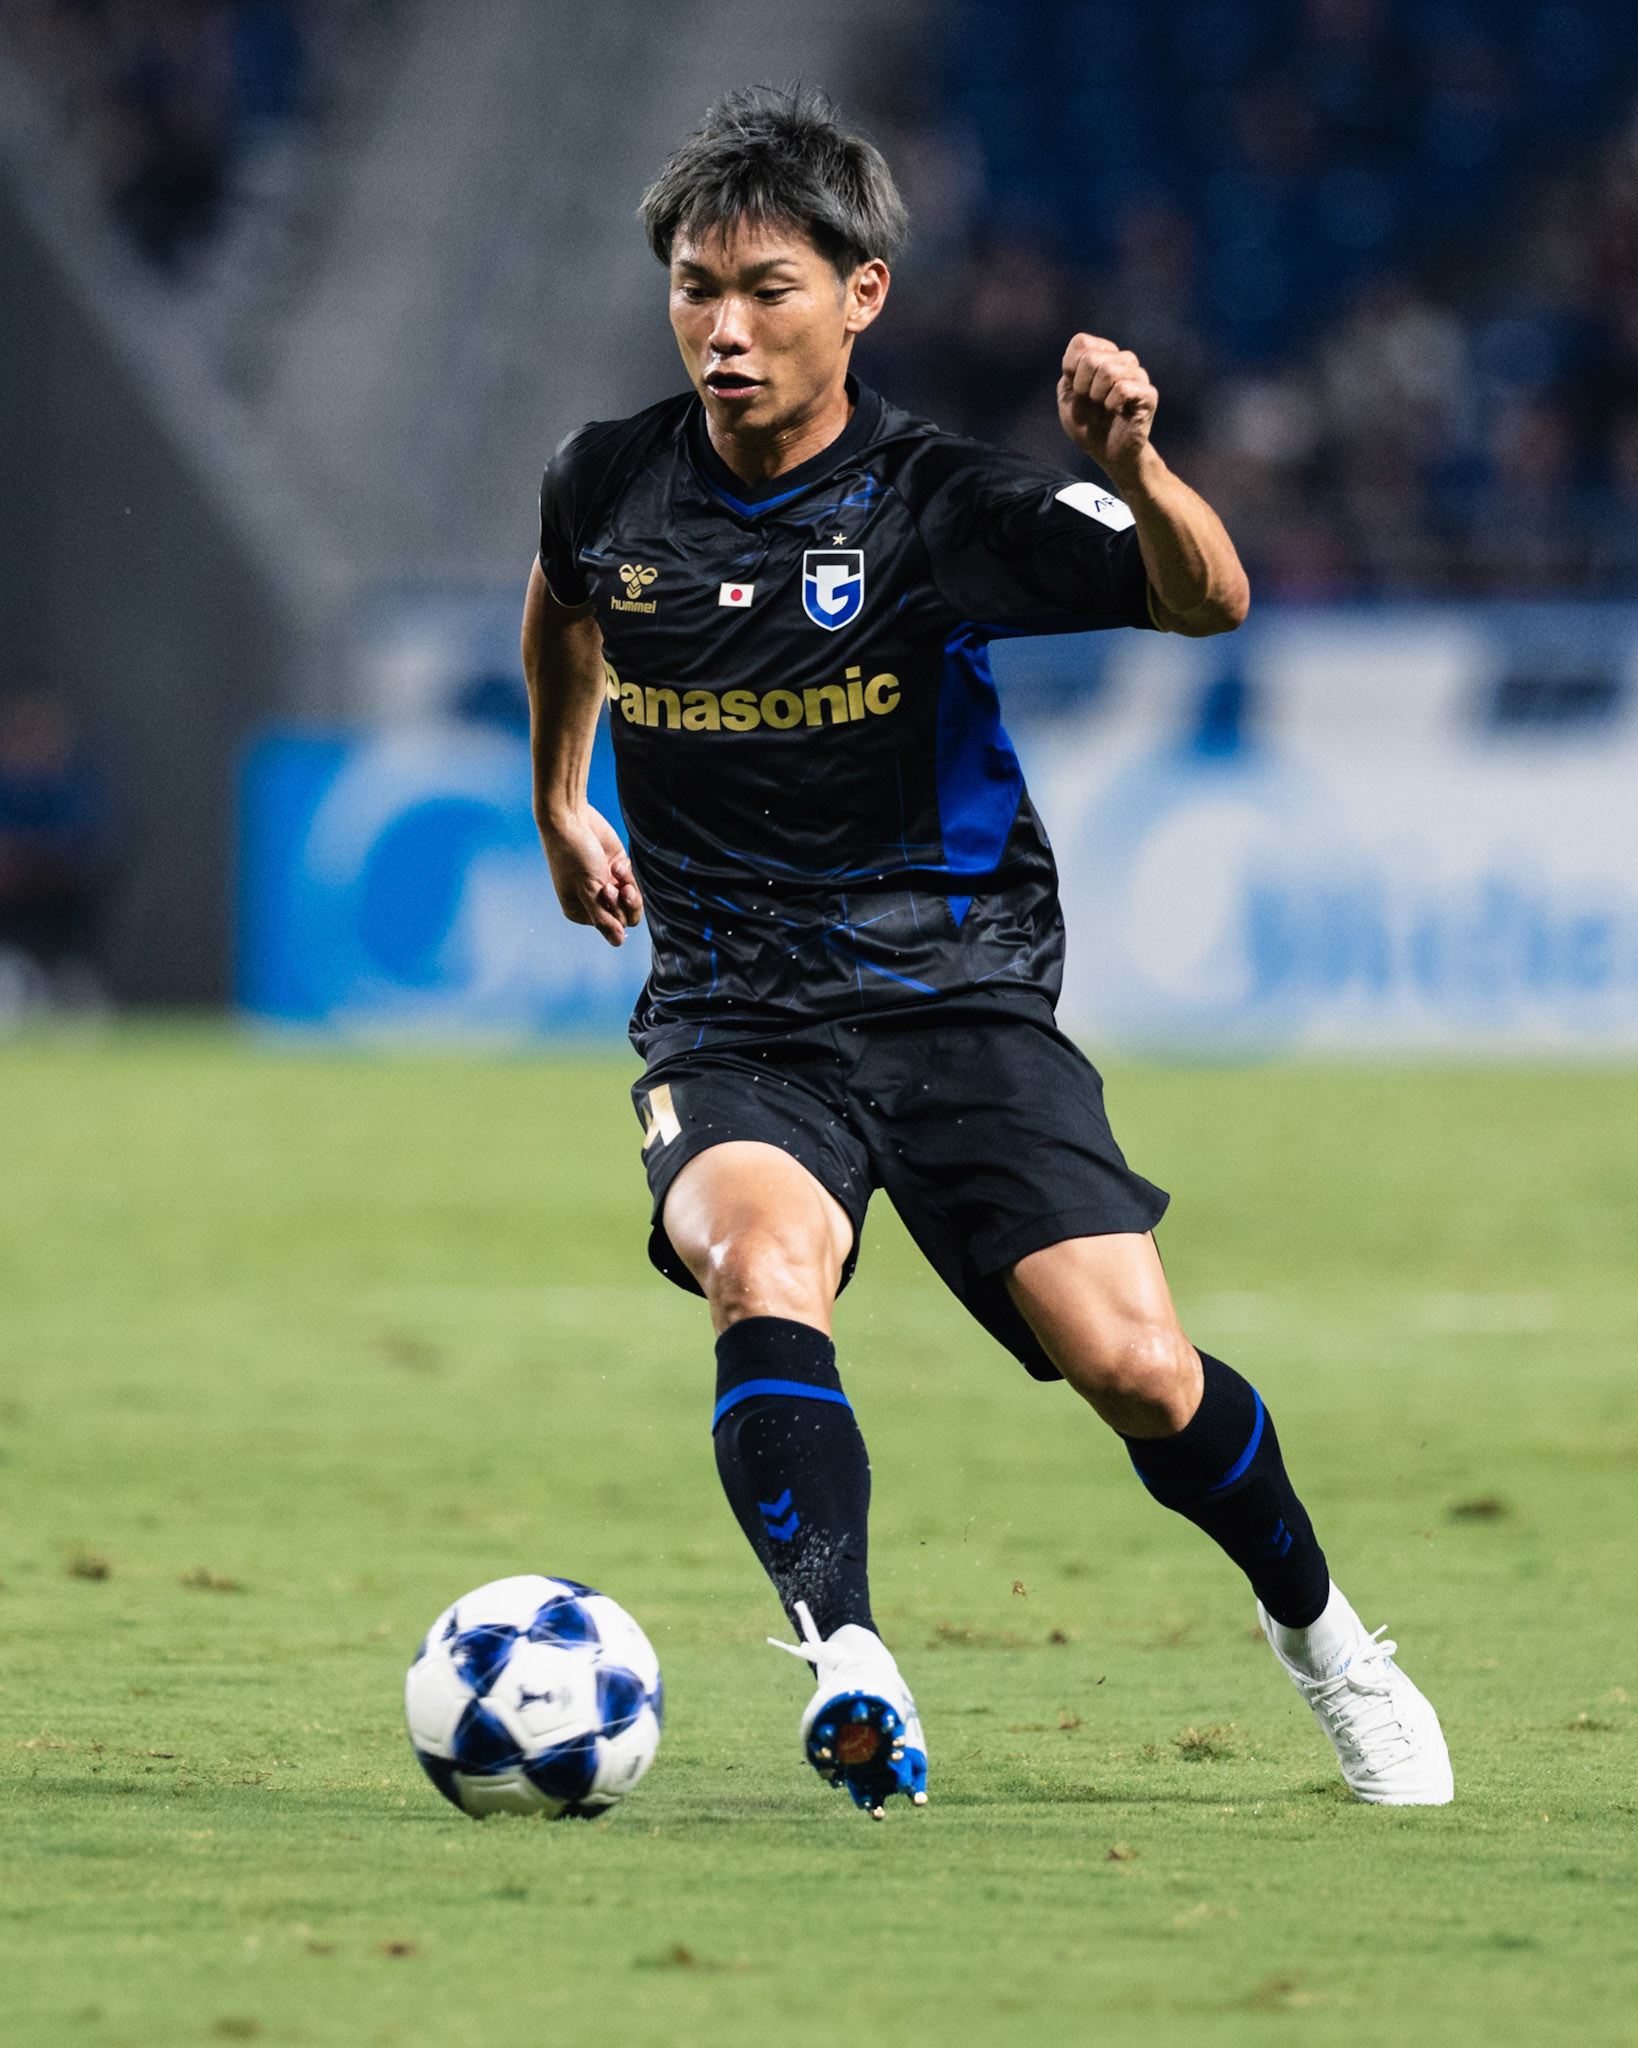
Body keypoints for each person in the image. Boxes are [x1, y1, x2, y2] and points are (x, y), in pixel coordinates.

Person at [522, 88, 1452, 1818]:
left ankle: (1328, 1640)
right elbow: (566, 593)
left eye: (767, 289)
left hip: (952, 995)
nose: (722, 328)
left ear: (861, 294)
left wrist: (1136, 472)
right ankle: (849, 1659)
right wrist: (559, 791)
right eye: (693, 286)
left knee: (1139, 1372)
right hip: (732, 1011)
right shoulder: (609, 475)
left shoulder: (936, 503)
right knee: (758, 1266)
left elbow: (1207, 601)